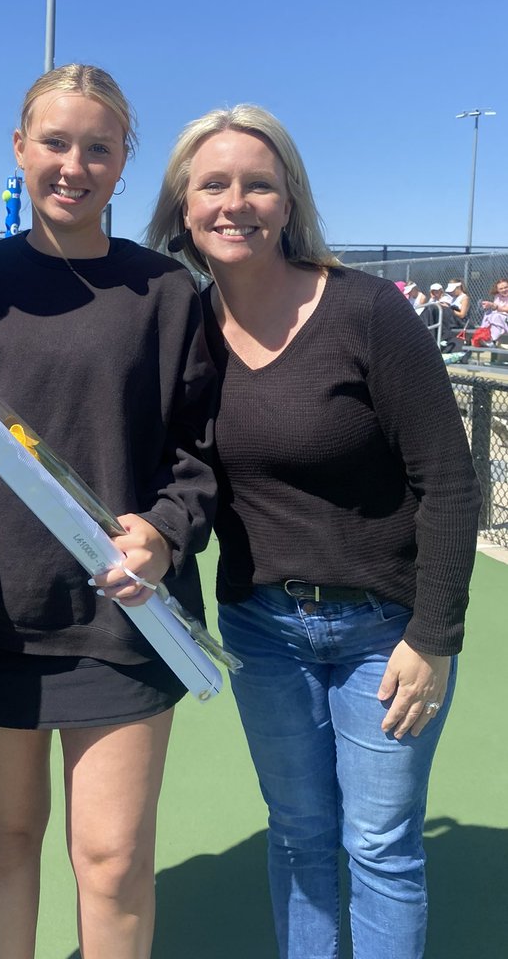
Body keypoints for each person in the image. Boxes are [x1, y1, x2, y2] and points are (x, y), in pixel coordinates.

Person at [147, 104, 480, 959]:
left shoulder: (367, 312)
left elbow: (447, 479)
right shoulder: (182, 330)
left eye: (259, 184)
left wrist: (433, 636)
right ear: (184, 206)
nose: (236, 202)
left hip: (385, 634)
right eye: (213, 184)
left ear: (288, 202)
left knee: (379, 847)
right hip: (265, 634)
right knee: (297, 834)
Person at [0, 64, 216, 959]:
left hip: (124, 622)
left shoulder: (167, 293)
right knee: (5, 841)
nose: (74, 164)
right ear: (20, 149)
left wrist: (167, 536)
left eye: (98, 147)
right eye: (54, 142)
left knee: (113, 858)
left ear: (124, 161)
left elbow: (201, 454)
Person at [472, 276, 508, 346]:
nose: (504, 290)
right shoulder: (498, 296)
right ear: (497, 290)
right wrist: (489, 306)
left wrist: (495, 306)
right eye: (501, 288)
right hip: (501, 320)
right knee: (489, 314)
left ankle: (489, 339)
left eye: (506, 287)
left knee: (496, 317)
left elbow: (503, 309)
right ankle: (484, 336)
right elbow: (496, 309)